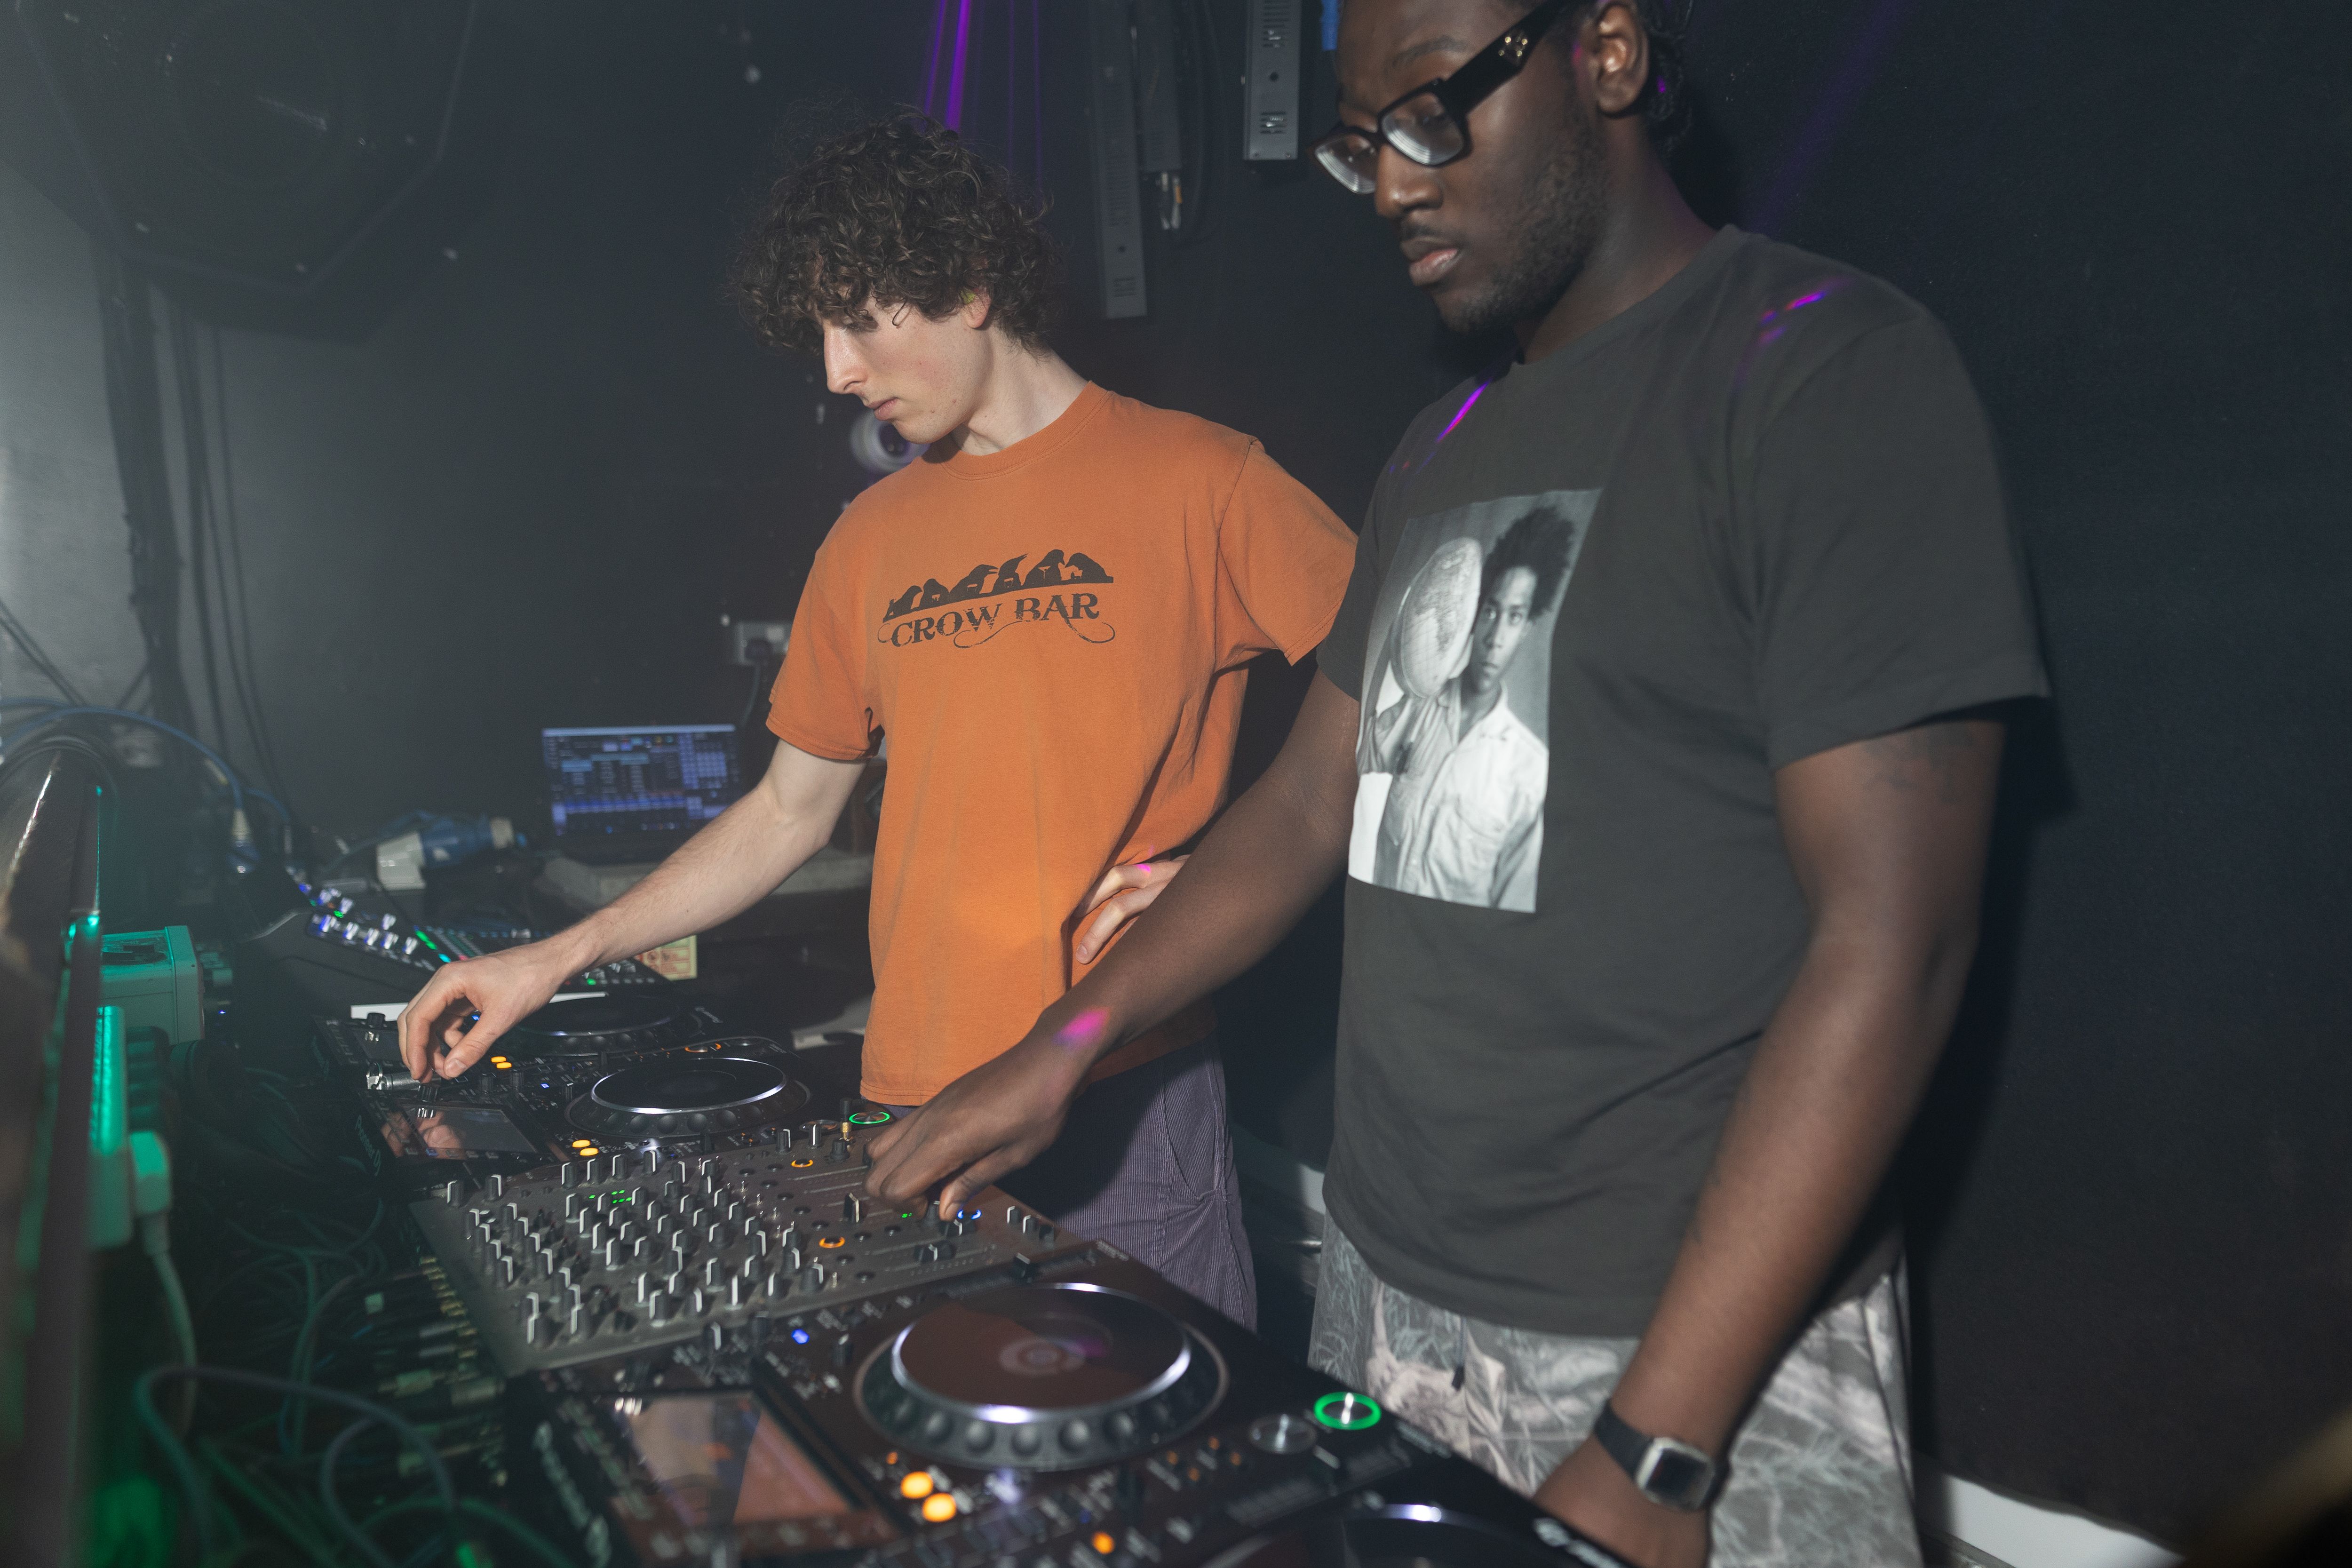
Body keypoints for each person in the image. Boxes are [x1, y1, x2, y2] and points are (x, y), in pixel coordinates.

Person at [858, 3, 2048, 1566]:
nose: (1397, 188)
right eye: (1363, 149)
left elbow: (1898, 941)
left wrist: (1660, 1440)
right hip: (1390, 1293)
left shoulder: (1827, 373)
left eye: (1431, 115)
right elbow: (1300, 808)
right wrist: (1065, 1041)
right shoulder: (1440, 445)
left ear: (1605, 54)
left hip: (1680, 1340)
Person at [396, 115, 1357, 1328]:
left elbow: (1410, 701)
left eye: (858, 321)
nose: (838, 371)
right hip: (914, 1095)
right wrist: (554, 958)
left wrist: (1216, 872)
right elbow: (787, 811)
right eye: (819, 335)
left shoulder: (1205, 479)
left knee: (1177, 1460)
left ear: (963, 281)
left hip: (1126, 1086)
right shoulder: (869, 538)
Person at [1358, 506, 1577, 909]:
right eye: (1491, 611)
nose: (1496, 637)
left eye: (1514, 617)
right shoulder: (1416, 711)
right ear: (1473, 617)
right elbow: (1352, 766)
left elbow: (1514, 919)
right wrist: (1398, 641)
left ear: (1527, 629)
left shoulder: (1528, 776)